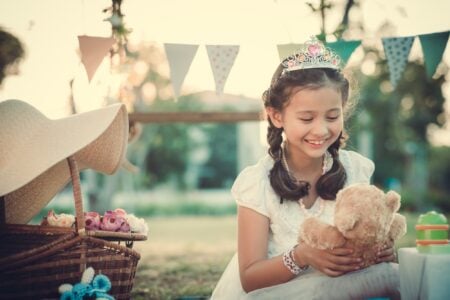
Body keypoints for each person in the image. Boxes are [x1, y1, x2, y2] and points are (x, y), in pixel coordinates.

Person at [211, 36, 400, 299]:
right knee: (389, 280)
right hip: (282, 293)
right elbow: (250, 277)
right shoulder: (258, 182)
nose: (321, 129)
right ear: (277, 116)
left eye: (332, 116)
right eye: (307, 118)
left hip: (346, 288)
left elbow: (367, 233)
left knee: (395, 274)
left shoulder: (355, 169)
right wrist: (301, 256)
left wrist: (381, 249)